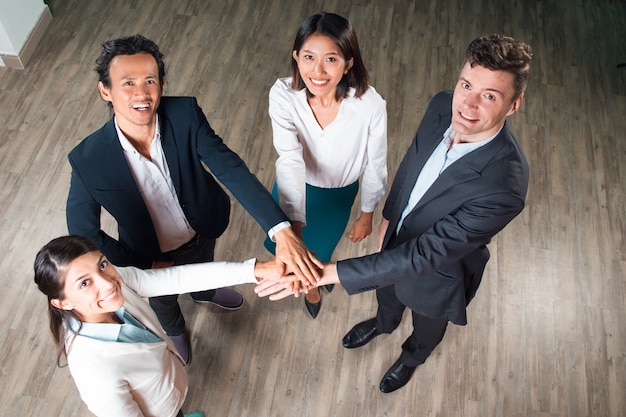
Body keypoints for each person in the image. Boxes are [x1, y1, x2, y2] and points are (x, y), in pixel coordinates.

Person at [256, 34, 532, 393]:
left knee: (427, 326)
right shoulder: (441, 106)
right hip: (393, 242)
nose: (467, 103)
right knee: (386, 297)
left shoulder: (505, 187)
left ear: (513, 105)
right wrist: (387, 217)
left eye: (489, 96)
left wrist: (326, 274)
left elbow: (423, 256)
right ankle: (383, 324)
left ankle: (411, 357)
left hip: (437, 276)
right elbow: (411, 167)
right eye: (466, 85)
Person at [66, 34, 321, 363]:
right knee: (164, 301)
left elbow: (230, 168)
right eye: (127, 83)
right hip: (149, 254)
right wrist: (139, 264)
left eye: (150, 81)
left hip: (203, 225)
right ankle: (175, 330)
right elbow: (84, 234)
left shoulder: (185, 113)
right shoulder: (87, 159)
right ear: (106, 91)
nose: (142, 94)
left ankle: (205, 292)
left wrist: (281, 230)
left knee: (204, 267)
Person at [34, 235, 280, 417]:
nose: (107, 283)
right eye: (85, 284)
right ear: (62, 302)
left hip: (171, 387)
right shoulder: (94, 374)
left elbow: (176, 278)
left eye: (102, 265)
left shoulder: (113, 284)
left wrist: (254, 269)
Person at [263, 12, 387, 318]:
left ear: (348, 63)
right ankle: (311, 286)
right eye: (308, 57)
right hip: (293, 189)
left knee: (320, 250)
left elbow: (376, 164)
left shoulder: (370, 105)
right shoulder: (282, 95)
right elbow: (290, 159)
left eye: (331, 59)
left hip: (337, 197)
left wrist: (367, 213)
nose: (317, 71)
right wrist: (292, 229)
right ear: (296, 57)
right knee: (289, 251)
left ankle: (314, 285)